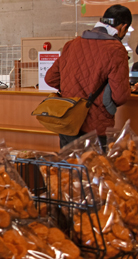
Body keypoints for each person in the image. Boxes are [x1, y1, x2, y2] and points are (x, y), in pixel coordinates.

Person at [45, 4, 132, 150]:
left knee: (69, 170)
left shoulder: (72, 44)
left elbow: (50, 79)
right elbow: (120, 96)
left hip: (69, 122)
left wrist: (73, 87)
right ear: (123, 27)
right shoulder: (116, 49)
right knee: (94, 171)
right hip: (95, 128)